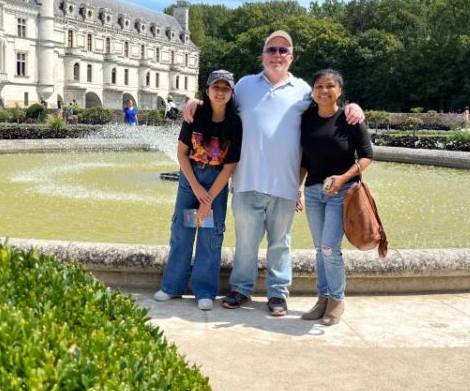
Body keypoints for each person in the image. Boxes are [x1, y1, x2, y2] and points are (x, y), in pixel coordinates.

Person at [185, 30, 363, 316]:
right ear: (263, 55)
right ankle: (241, 289)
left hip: (285, 183)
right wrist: (196, 103)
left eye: (283, 50)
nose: (277, 55)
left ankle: (278, 294)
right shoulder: (243, 86)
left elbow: (329, 105)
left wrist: (352, 106)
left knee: (281, 243)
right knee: (245, 242)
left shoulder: (304, 89)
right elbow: (219, 104)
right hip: (246, 180)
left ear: (291, 57)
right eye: (272, 50)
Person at [154, 70, 242, 310]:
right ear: (207, 90)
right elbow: (182, 153)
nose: (220, 92)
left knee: (210, 235)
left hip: (216, 180)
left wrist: (208, 197)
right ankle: (172, 286)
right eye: (216, 87)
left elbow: (230, 165)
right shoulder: (195, 115)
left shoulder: (234, 122)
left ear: (231, 93)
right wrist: (194, 187)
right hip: (190, 176)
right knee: (182, 230)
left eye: (226, 88)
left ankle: (204, 290)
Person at [298, 69, 373, 326]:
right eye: (319, 86)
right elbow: (305, 160)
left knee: (330, 248)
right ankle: (323, 298)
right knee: (320, 249)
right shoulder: (307, 118)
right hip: (313, 191)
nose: (324, 91)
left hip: (342, 191)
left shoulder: (349, 119)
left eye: (330, 86)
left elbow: (366, 156)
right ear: (313, 91)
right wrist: (297, 188)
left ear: (339, 91)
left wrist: (342, 178)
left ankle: (337, 300)